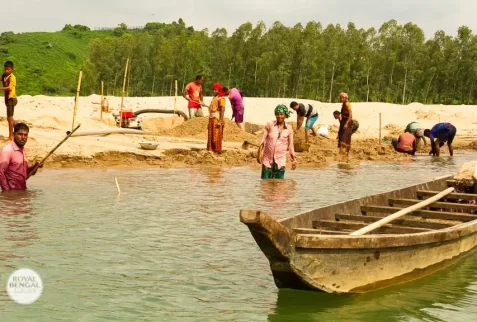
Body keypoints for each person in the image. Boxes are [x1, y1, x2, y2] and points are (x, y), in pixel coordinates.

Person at [258, 104, 297, 179]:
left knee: (279, 185)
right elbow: (263, 140)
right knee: (265, 183)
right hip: (267, 160)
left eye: (281, 114)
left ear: (285, 115)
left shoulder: (289, 128)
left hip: (280, 161)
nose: (279, 116)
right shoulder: (270, 125)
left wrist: (293, 160)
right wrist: (259, 153)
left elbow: (291, 145)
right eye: (277, 114)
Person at [0, 123, 43, 191]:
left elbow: (25, 174)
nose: (23, 137)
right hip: (11, 195)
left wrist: (36, 166)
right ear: (14, 134)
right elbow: (0, 173)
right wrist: (7, 192)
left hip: (21, 191)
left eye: (25, 135)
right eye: (20, 134)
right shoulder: (8, 150)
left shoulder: (22, 150)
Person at [206, 83, 226, 154]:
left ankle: (217, 151)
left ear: (219, 90)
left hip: (216, 119)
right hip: (211, 118)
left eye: (215, 90)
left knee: (216, 136)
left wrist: (220, 121)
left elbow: (222, 109)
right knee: (211, 136)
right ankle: (211, 150)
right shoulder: (215, 98)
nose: (214, 91)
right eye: (213, 90)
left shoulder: (221, 98)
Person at [0, 61, 17, 141]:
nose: (6, 71)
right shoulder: (4, 76)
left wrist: (0, 88)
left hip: (11, 99)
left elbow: (10, 88)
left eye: (8, 69)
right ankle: (19, 129)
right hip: (7, 99)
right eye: (5, 69)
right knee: (10, 119)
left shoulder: (12, 77)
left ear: (12, 69)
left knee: (9, 118)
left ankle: (11, 136)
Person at [337, 92, 353, 159]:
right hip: (343, 122)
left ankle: (342, 155)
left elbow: (350, 115)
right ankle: (343, 154)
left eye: (342, 97)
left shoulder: (347, 104)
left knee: (344, 139)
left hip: (347, 123)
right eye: (340, 97)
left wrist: (346, 123)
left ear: (345, 98)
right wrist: (339, 118)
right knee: (341, 137)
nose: (341, 99)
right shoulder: (343, 104)